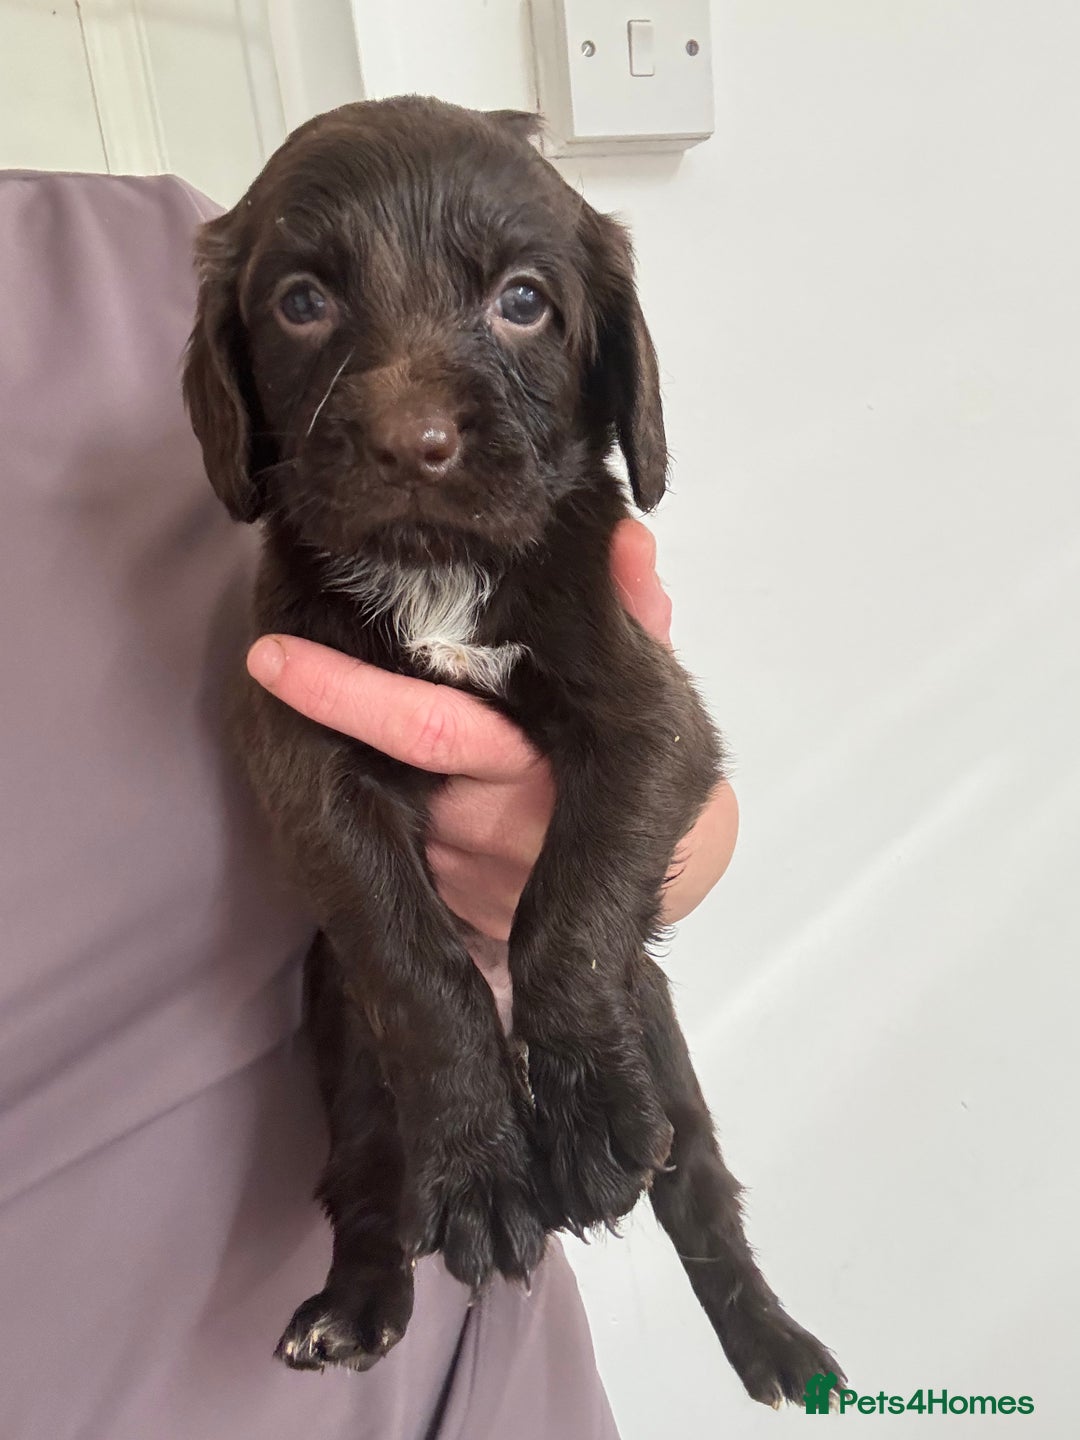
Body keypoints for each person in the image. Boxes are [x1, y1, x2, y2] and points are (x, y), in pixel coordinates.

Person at [0, 167, 736, 1440]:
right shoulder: (219, 300)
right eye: (306, 304)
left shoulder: (123, 246)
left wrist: (607, 893)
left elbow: (687, 818)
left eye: (520, 302)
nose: (408, 419)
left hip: (484, 1370)